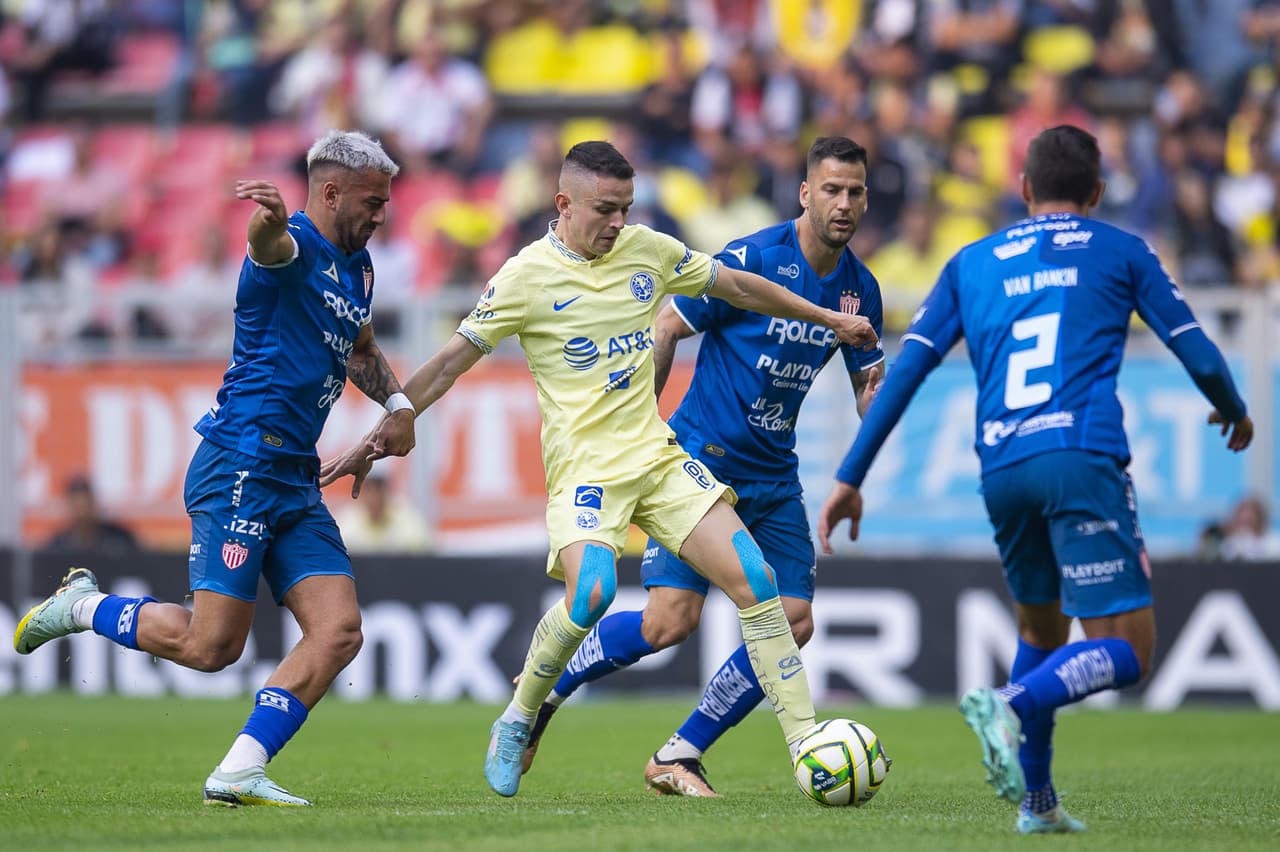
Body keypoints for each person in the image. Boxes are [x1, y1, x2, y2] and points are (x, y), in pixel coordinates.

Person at [320, 140, 880, 799]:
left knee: (757, 582)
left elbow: (739, 287)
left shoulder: (648, 249)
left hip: (659, 459)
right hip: (587, 471)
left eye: (626, 209)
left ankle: (805, 743)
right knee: (591, 597)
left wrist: (821, 317)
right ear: (564, 204)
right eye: (605, 210)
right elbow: (449, 361)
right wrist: (392, 416)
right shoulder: (526, 276)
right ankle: (520, 712)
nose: (618, 223)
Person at [817, 125, 1254, 834]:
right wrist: (1232, 409)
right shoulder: (1122, 249)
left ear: (1023, 190)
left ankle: (1039, 801)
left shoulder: (971, 262)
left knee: (1043, 630)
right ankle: (1010, 704)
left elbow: (908, 372)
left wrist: (849, 474)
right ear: (1099, 194)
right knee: (1129, 651)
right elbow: (1197, 350)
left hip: (1003, 467)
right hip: (1080, 456)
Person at [13, 130, 416, 808]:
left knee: (340, 630)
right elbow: (269, 248)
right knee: (211, 646)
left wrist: (399, 403)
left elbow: (361, 345)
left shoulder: (361, 269)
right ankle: (80, 606)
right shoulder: (289, 247)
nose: (383, 215)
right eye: (373, 203)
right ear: (329, 193)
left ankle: (239, 768)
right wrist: (265, 223)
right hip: (241, 461)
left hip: (294, 476)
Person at [517, 135, 886, 797]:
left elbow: (868, 388)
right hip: (701, 465)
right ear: (805, 192)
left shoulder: (862, 291)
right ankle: (551, 688)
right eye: (831, 189)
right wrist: (639, 429)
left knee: (795, 618)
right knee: (669, 622)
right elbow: (667, 326)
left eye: (855, 192)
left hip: (775, 477)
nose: (844, 204)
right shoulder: (752, 259)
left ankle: (679, 753)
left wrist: (875, 412)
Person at [45, 474, 138, 552]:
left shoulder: (119, 539)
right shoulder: (58, 546)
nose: (82, 510)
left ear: (94, 502)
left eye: (86, 502)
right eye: (77, 505)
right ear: (69, 506)